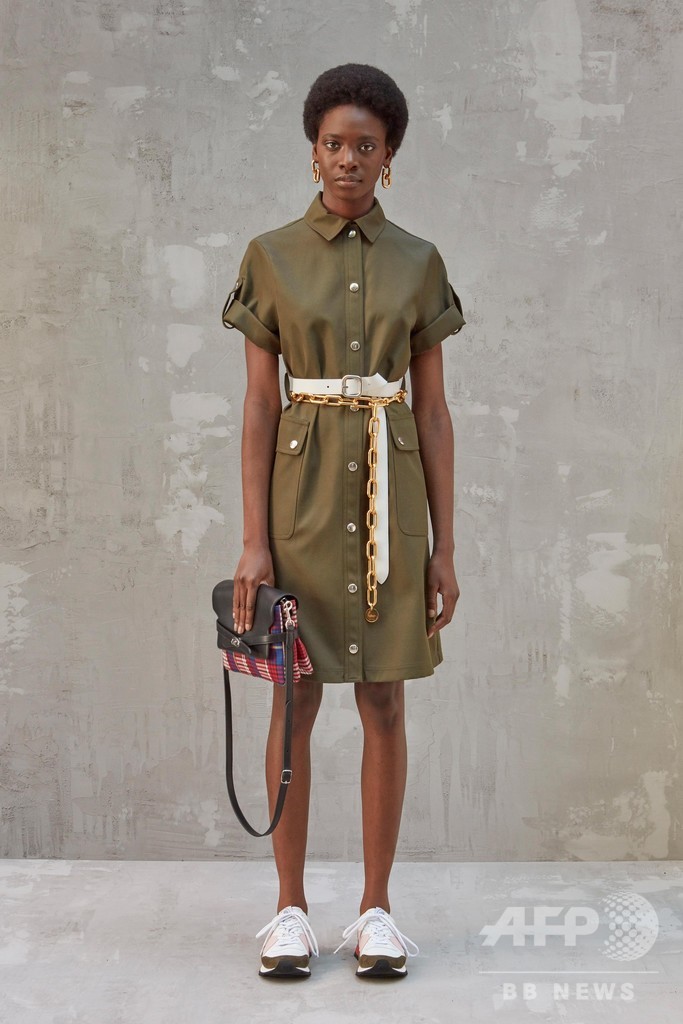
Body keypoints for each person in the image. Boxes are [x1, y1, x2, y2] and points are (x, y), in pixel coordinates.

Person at [222, 63, 466, 979]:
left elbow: (432, 413)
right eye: (333, 143)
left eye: (366, 145)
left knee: (384, 700)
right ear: (313, 150)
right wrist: (254, 541)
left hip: (388, 501)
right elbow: (259, 405)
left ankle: (376, 912)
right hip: (302, 500)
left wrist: (444, 548)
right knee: (293, 698)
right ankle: (287, 911)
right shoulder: (270, 255)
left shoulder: (419, 261)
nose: (348, 160)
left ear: (389, 154)